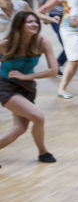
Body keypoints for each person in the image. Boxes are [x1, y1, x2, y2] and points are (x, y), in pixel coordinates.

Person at [0, 11, 58, 165]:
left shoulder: (42, 43)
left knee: (20, 128)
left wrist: (26, 77)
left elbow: (53, 70)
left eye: (36, 22)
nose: (35, 25)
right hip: (6, 86)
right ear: (19, 26)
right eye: (30, 22)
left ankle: (42, 152)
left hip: (27, 87)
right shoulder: (5, 44)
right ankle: (43, 151)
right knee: (38, 117)